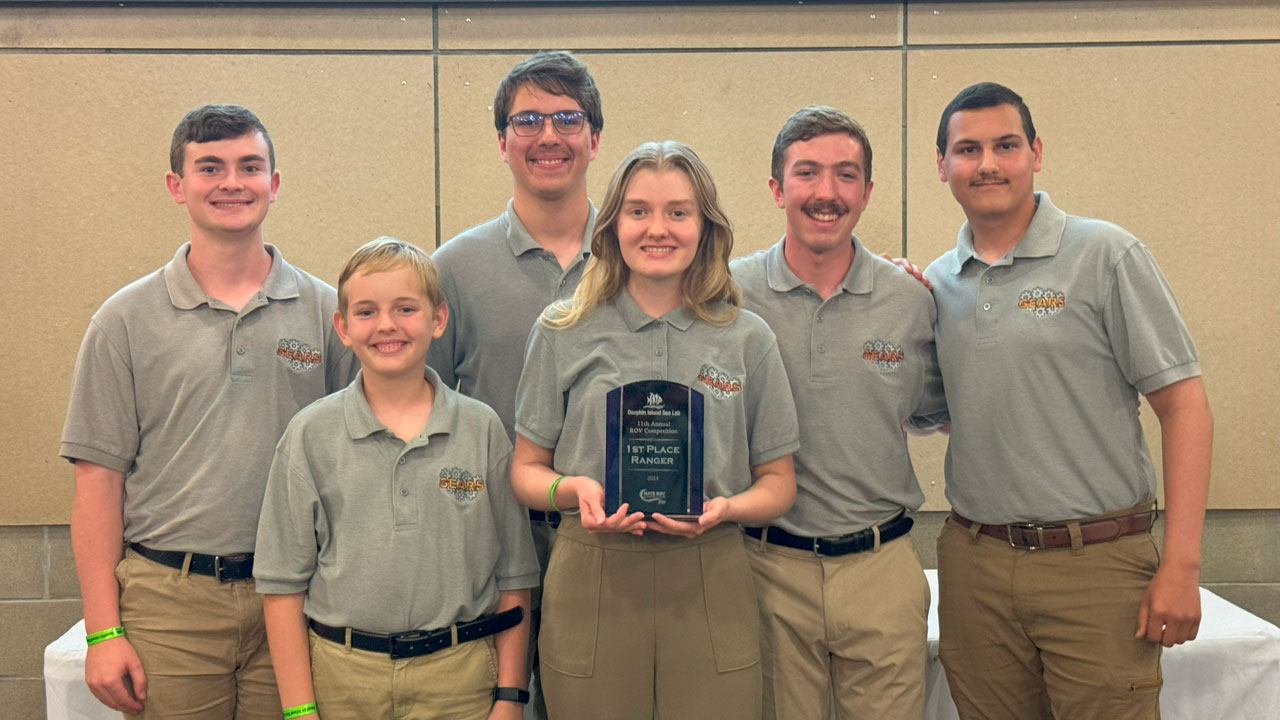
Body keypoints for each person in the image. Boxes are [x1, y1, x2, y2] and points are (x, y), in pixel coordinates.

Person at [926, 81, 1213, 720]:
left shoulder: (1106, 255)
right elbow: (947, 410)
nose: (989, 163)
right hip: (975, 564)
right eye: (967, 149)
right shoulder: (938, 283)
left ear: (1036, 152)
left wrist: (1183, 565)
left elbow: (1185, 406)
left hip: (1098, 568)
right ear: (941, 164)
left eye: (1006, 144)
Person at [60, 104, 357, 718]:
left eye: (250, 166)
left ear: (274, 183)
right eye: (210, 167)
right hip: (170, 604)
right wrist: (102, 632)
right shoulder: (123, 321)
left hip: (297, 597)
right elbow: (97, 481)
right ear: (177, 186)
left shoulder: (328, 314)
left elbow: (356, 463)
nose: (232, 182)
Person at [511, 140, 800, 720]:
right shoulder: (563, 330)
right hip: (592, 570)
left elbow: (779, 485)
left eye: (679, 211)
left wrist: (726, 508)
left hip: (711, 571)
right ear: (613, 223)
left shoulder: (746, 338)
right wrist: (573, 491)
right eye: (639, 210)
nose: (657, 229)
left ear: (705, 226)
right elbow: (524, 471)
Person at [253, 237, 539, 720]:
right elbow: (282, 586)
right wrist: (299, 710)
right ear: (342, 327)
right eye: (366, 312)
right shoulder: (310, 435)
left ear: (438, 319)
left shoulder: (481, 428)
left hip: (461, 678)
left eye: (406, 308)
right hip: (344, 678)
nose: (386, 325)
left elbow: (514, 577)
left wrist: (510, 698)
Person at [731, 105, 944, 720]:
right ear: (776, 189)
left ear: (868, 191)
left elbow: (939, 410)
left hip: (883, 569)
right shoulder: (726, 296)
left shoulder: (911, 300)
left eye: (846, 175)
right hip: (767, 569)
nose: (827, 193)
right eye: (807, 173)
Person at [426, 49, 602, 719]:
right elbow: (420, 409)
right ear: (502, 142)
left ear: (594, 138)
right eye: (528, 120)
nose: (549, 136)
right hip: (487, 547)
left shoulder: (637, 258)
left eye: (567, 117)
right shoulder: (452, 270)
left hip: (606, 539)